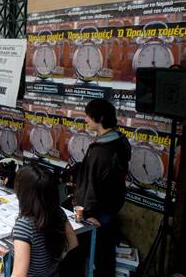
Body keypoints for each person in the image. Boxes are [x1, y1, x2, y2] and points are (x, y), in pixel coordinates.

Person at [72, 98, 131, 277]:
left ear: (100, 118)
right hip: (111, 208)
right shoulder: (119, 140)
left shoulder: (101, 151)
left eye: (88, 117)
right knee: (106, 252)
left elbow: (93, 185)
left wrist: (88, 213)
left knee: (97, 253)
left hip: (98, 213)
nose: (86, 120)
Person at [12, 164, 78, 277]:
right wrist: (54, 261)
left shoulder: (24, 226)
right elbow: (73, 242)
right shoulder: (58, 212)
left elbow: (19, 275)